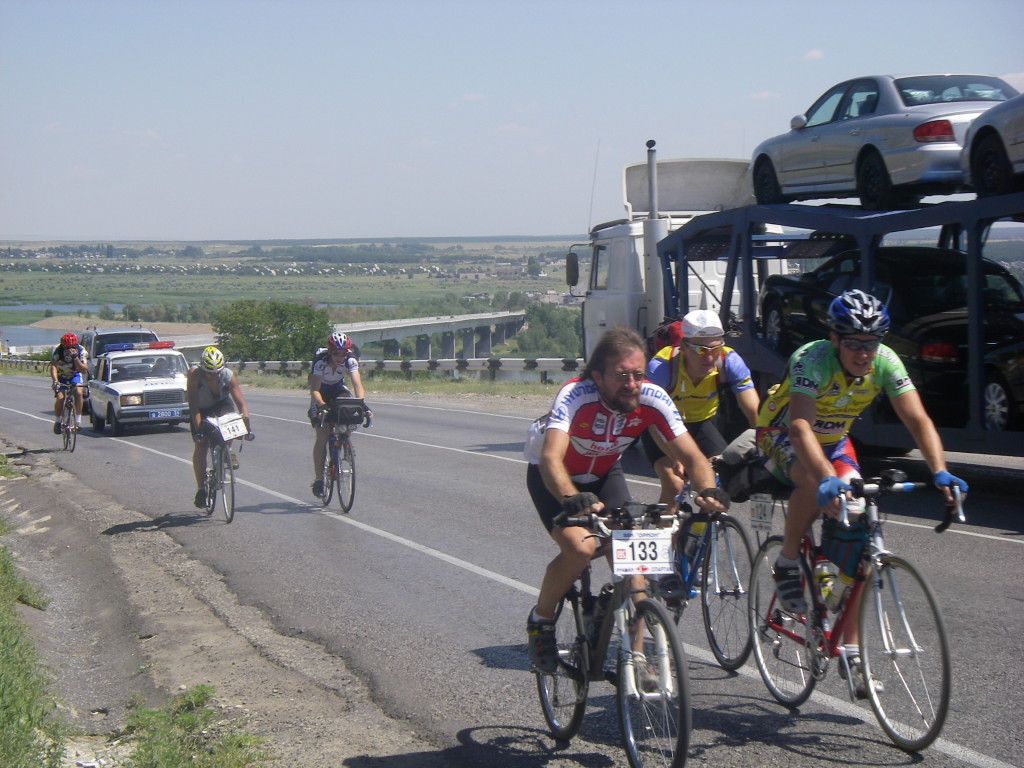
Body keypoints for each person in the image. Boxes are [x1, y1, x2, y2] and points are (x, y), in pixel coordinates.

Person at [756, 289, 968, 696]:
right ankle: (786, 561)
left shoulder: (886, 361)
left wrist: (939, 471)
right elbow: (800, 428)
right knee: (810, 479)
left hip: (835, 439)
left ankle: (850, 647)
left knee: (859, 538)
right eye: (853, 343)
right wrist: (823, 477)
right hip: (782, 433)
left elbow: (918, 419)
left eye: (871, 343)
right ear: (834, 339)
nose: (863, 352)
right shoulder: (812, 360)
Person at [525, 326, 730, 674]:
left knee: (632, 556)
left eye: (638, 374)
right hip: (555, 477)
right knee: (582, 549)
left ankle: (636, 657)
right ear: (598, 377)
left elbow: (694, 458)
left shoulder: (652, 398)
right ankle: (541, 620)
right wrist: (571, 498)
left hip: (605, 474)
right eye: (622, 376)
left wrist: (708, 491)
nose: (632, 384)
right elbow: (551, 459)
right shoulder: (576, 395)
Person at [643, 309, 760, 503]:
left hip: (701, 424)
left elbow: (754, 412)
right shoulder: (662, 368)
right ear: (683, 347)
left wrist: (767, 445)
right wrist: (676, 457)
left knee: (717, 484)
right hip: (663, 429)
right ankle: (664, 531)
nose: (709, 357)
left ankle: (702, 530)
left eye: (715, 349)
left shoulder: (730, 360)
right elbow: (652, 420)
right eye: (700, 350)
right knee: (675, 483)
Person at [187, 346, 253, 508]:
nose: (213, 375)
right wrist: (200, 430)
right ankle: (201, 489)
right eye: (209, 372)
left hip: (221, 405)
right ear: (203, 369)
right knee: (201, 445)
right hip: (200, 409)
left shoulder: (228, 376)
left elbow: (241, 404)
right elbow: (194, 407)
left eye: (216, 372)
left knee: (229, 417)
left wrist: (247, 425)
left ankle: (227, 451)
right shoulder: (195, 377)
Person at [308, 331, 366, 498]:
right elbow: (315, 390)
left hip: (337, 389)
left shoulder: (350, 360)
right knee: (322, 435)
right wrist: (322, 407)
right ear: (329, 351)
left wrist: (360, 403)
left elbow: (357, 385)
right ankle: (319, 479)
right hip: (320, 392)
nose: (340, 357)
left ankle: (345, 439)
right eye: (336, 353)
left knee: (349, 406)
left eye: (343, 353)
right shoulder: (320, 361)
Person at [49, 332, 89, 434]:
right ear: (63, 345)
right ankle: (58, 422)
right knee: (60, 398)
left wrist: (75, 358)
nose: (68, 349)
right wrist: (55, 381)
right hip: (61, 376)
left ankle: (77, 422)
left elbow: (84, 370)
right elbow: (53, 366)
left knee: (79, 393)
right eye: (66, 347)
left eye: (71, 346)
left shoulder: (81, 351)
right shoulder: (57, 350)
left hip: (74, 375)